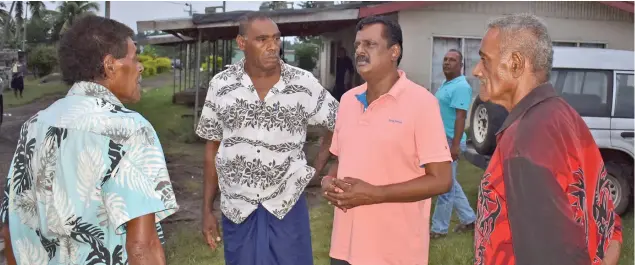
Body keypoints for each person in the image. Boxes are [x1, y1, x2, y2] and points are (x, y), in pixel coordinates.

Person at [0, 15, 179, 265]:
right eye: (134, 57)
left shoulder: (34, 125)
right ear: (109, 65)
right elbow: (142, 246)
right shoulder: (129, 129)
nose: (140, 67)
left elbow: (10, 226)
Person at [472, 13, 622, 265]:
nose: (477, 71)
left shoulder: (525, 140)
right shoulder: (564, 115)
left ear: (517, 64)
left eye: (485, 60)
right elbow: (607, 220)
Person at [195, 12, 338, 265]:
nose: (273, 46)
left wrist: (317, 169)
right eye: (262, 39)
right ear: (242, 44)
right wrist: (207, 210)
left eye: (276, 38)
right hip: (238, 208)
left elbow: (339, 122)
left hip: (286, 205)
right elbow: (212, 147)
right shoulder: (221, 85)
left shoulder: (303, 83)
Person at [322, 16, 452, 265]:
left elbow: (442, 180)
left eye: (369, 44)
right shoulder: (348, 101)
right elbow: (342, 161)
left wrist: (376, 194)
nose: (360, 51)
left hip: (395, 252)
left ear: (394, 51)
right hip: (344, 249)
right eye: (358, 44)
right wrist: (329, 180)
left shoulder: (422, 103)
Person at [430, 49, 477, 239]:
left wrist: (455, 145)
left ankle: (439, 229)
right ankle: (469, 219)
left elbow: (461, 116)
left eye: (452, 60)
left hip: (450, 141)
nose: (447, 63)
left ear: (461, 65)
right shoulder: (447, 83)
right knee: (451, 183)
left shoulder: (461, 87)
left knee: (444, 185)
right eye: (445, 59)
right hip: (440, 139)